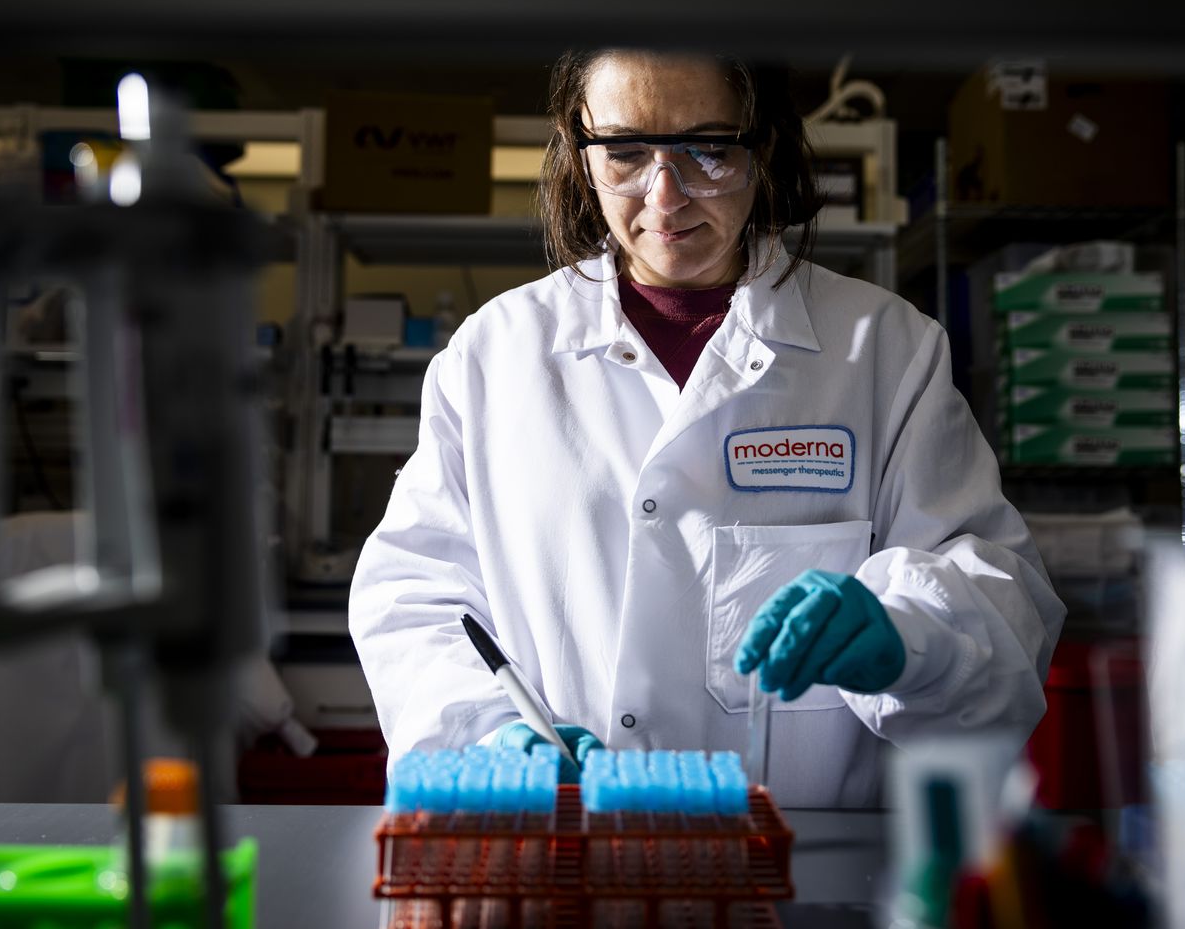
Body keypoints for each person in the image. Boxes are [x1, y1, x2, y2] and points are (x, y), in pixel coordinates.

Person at [349, 48, 1065, 806]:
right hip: (566, 848)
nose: (665, 197)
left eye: (709, 149)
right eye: (624, 151)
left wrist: (908, 636)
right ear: (578, 149)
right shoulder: (496, 353)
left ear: (766, 148)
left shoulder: (885, 348)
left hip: (800, 861)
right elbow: (416, 596)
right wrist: (492, 733)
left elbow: (998, 596)